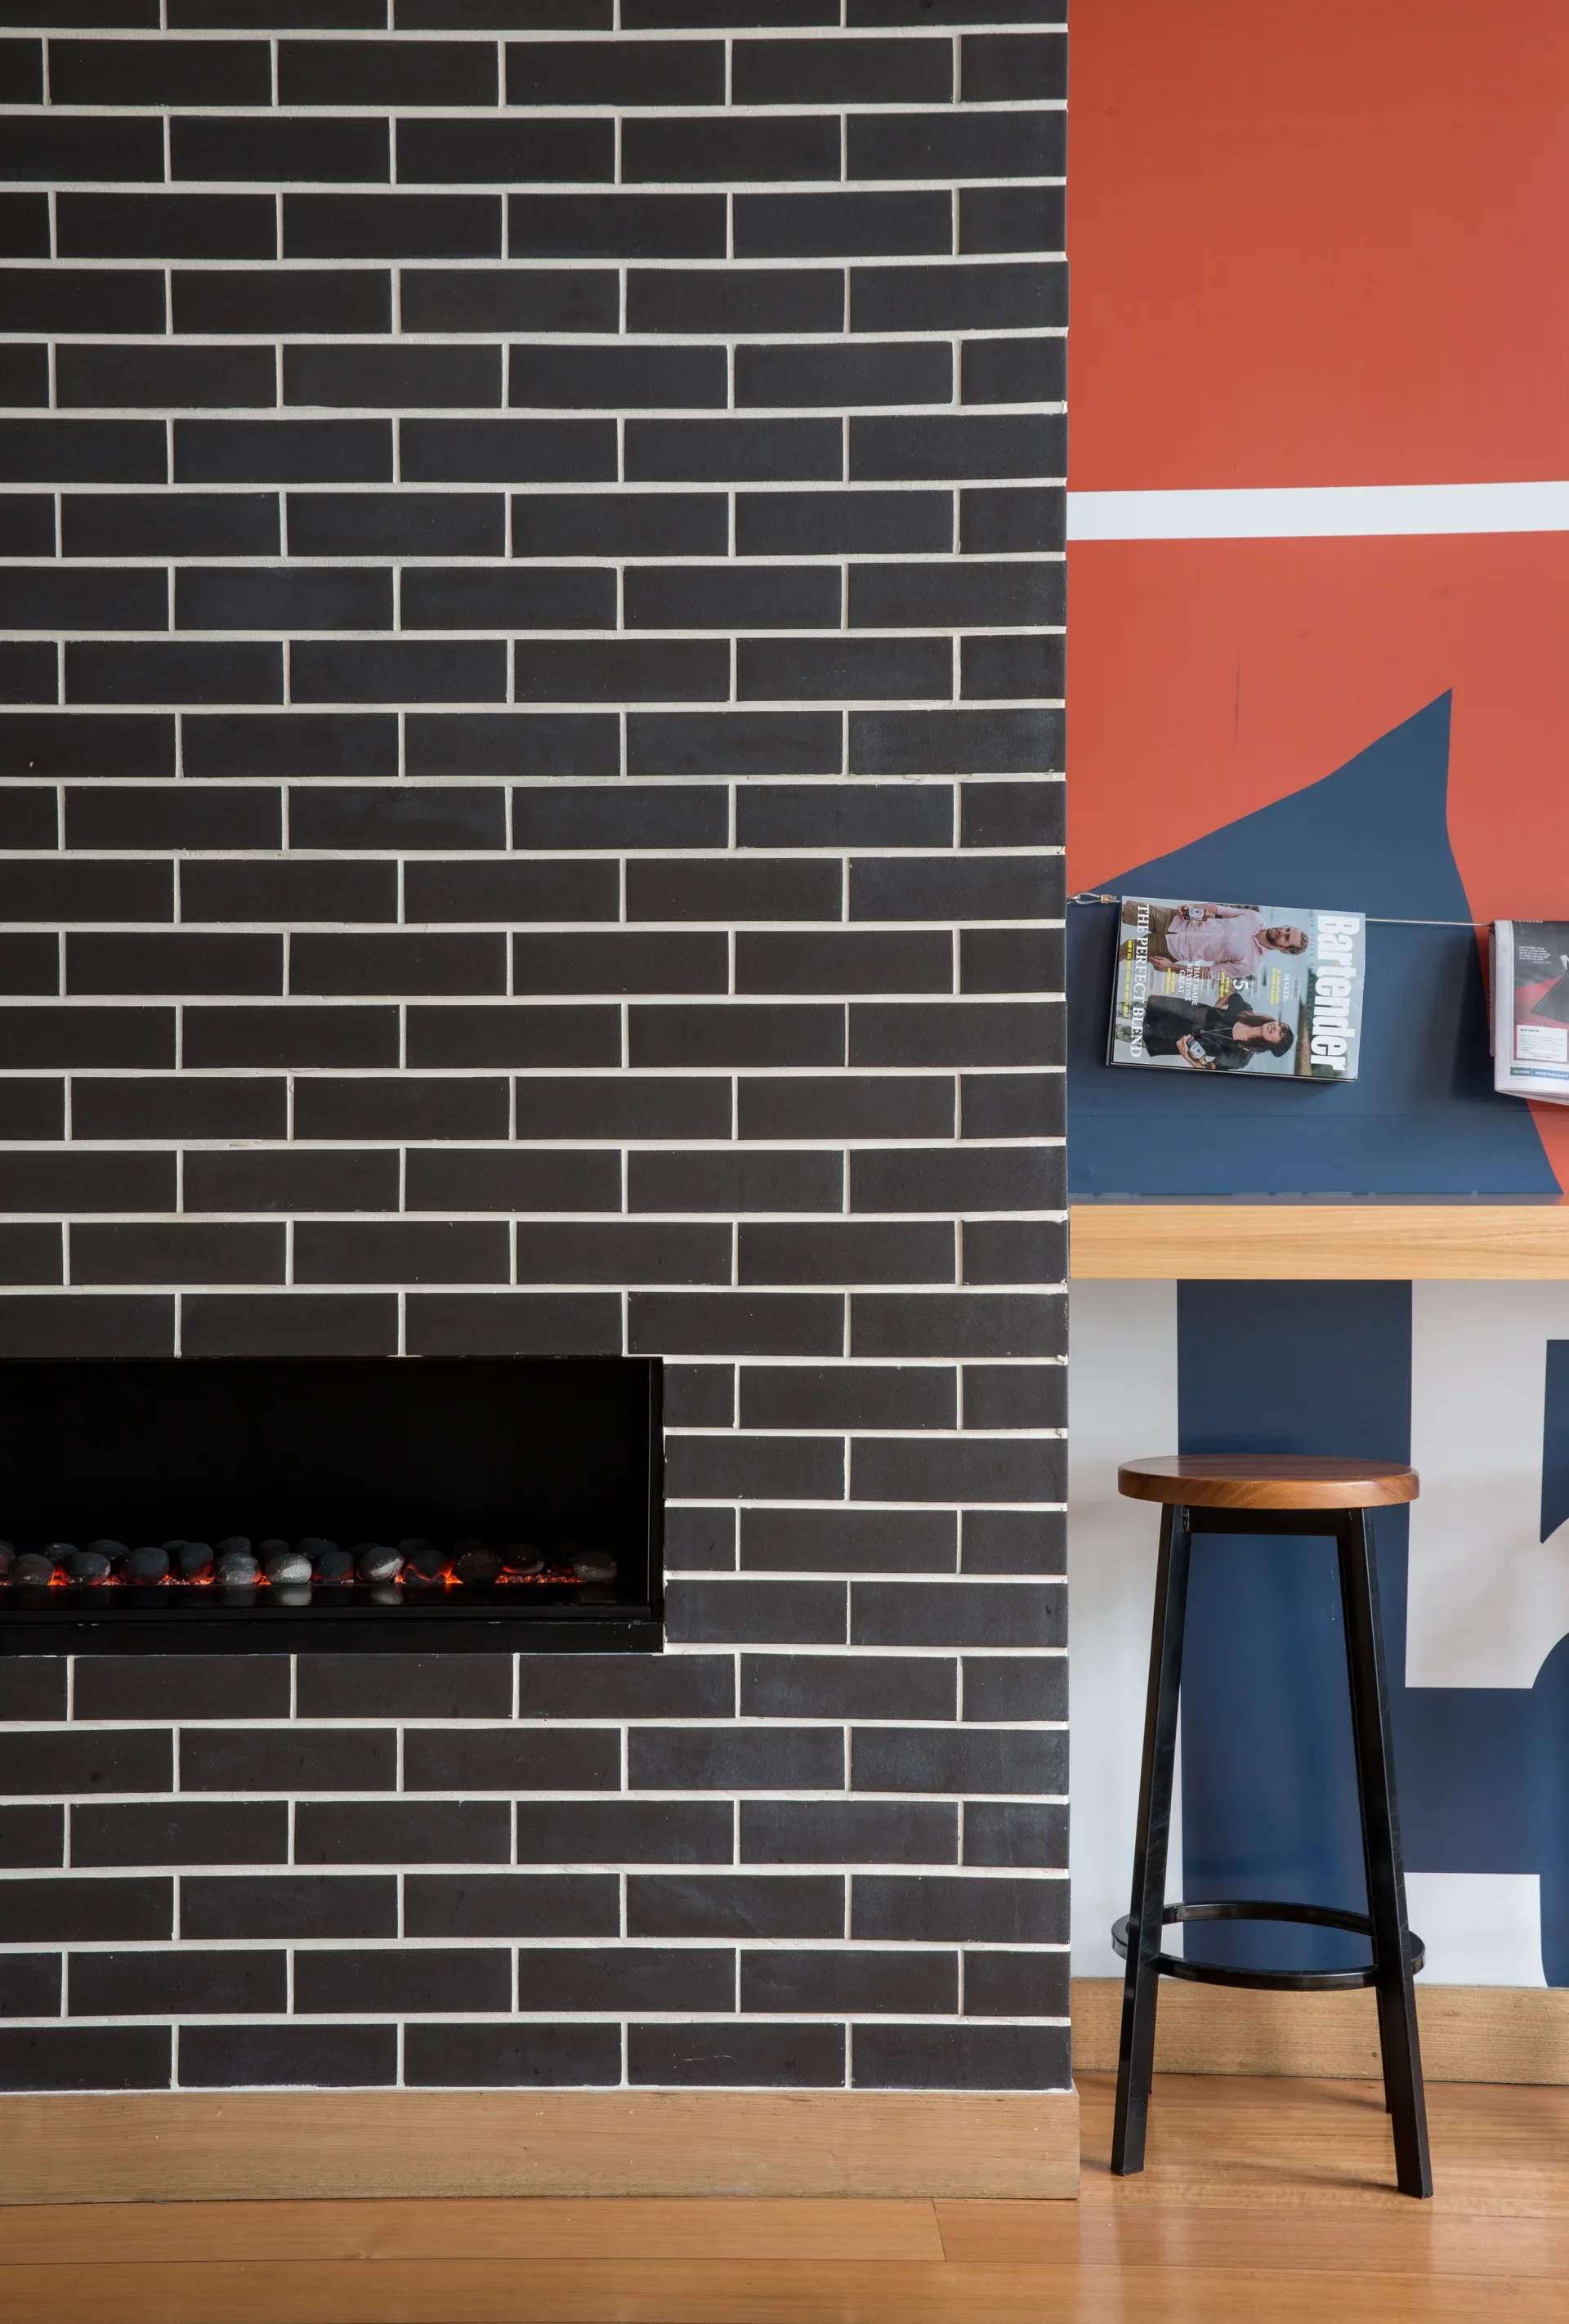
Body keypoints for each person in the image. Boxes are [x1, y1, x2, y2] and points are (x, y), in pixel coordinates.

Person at [1138, 990, 1295, 1071]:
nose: (1276, 1027)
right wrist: (1215, 1009)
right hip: (1171, 1009)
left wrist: (1186, 1056)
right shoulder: (1246, 1011)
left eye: (1280, 1034)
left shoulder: (1241, 1057)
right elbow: (1232, 995)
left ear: (1273, 1045)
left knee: (1120, 1031)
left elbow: (1208, 1068)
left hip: (1170, 1038)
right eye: (1280, 1025)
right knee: (1121, 1009)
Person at [1144, 903, 1308, 978]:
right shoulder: (1255, 917)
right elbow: (1218, 909)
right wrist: (1192, 908)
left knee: (1122, 950)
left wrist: (1171, 967)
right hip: (1175, 918)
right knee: (1124, 910)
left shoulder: (1252, 965)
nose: (1282, 932)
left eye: (1287, 937)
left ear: (1285, 950)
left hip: (1171, 949)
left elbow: (1210, 973)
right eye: (1287, 929)